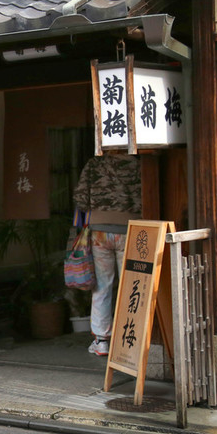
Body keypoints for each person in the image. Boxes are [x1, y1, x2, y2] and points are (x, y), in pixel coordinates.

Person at [73, 152, 142, 357]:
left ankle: (101, 341)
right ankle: (132, 339)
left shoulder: (95, 163)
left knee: (102, 286)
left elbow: (81, 197)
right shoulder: (137, 163)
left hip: (99, 230)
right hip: (130, 228)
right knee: (131, 286)